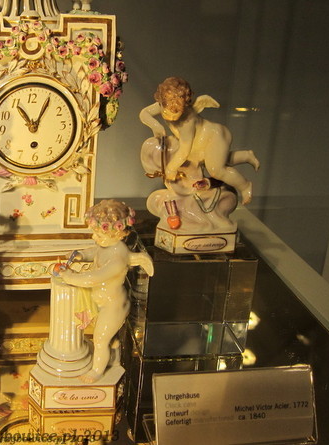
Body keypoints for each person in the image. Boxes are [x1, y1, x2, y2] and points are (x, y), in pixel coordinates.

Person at [58, 200, 153, 383]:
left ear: (117, 233)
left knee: (100, 339)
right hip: (100, 302)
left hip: (113, 305)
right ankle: (113, 358)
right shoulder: (107, 245)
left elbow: (94, 278)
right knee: (108, 337)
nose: (95, 237)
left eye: (99, 234)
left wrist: (69, 276)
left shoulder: (119, 257)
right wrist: (81, 255)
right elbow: (95, 251)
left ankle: (97, 371)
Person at [139, 77, 259, 205]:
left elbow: (184, 150)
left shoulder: (187, 121)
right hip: (199, 142)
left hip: (214, 136)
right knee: (219, 160)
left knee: (216, 170)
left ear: (185, 105)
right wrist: (156, 126)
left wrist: (171, 168)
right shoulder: (164, 104)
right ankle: (246, 155)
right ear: (161, 101)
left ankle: (244, 186)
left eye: (177, 113)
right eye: (166, 112)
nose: (171, 117)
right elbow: (144, 113)